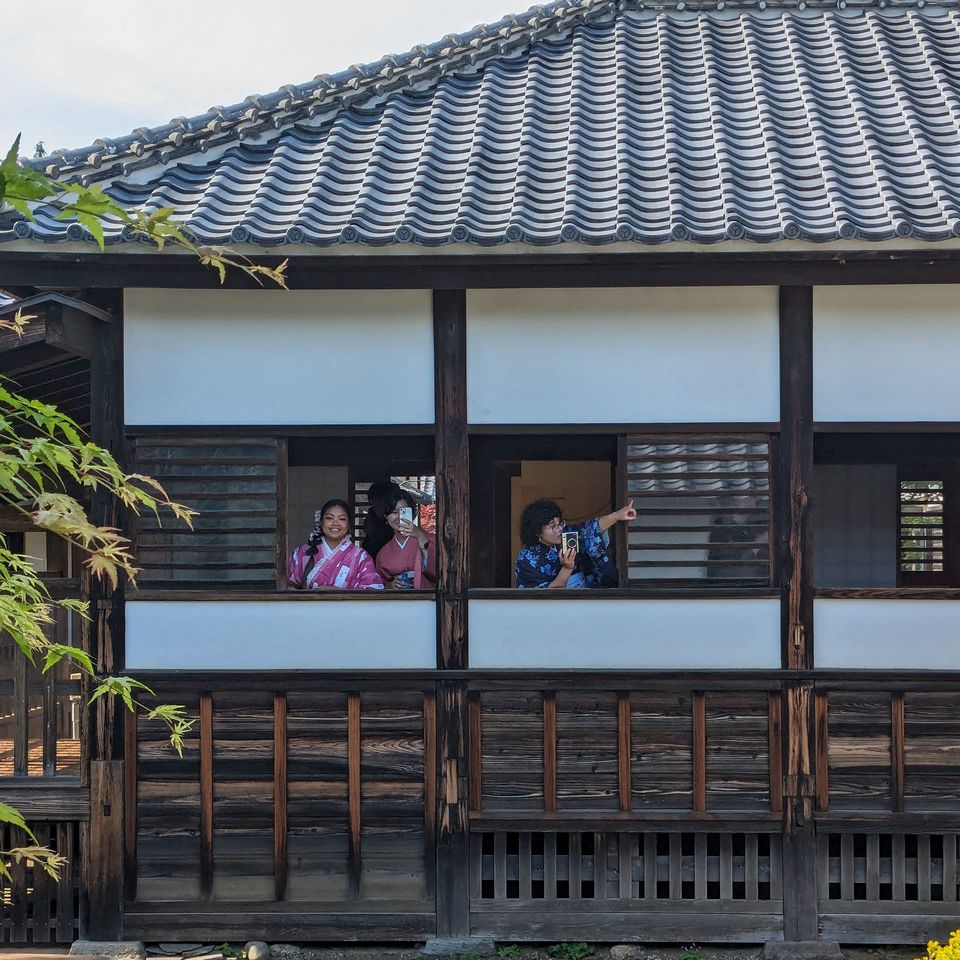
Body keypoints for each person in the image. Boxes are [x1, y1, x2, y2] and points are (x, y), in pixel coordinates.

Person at [515, 498, 637, 589]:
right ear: (536, 531)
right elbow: (545, 595)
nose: (559, 530)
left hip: (588, 594)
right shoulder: (527, 558)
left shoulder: (568, 535)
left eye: (560, 524)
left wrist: (617, 515)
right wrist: (567, 567)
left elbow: (591, 529)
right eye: (552, 526)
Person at [288, 498, 383, 590]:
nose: (335, 523)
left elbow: (373, 590)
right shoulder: (302, 553)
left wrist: (339, 592)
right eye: (329, 518)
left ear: (349, 524)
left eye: (342, 519)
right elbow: (286, 587)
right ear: (321, 522)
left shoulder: (361, 557)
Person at [374, 491, 437, 589]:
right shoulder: (383, 552)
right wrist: (390, 586)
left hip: (428, 600)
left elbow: (440, 572)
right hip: (398, 602)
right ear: (386, 517)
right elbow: (378, 584)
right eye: (394, 512)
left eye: (404, 512)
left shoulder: (433, 540)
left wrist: (421, 538)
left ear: (413, 513)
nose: (399, 517)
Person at [361, 480, 405, 560]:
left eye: (376, 502)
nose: (374, 505)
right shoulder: (372, 517)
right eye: (373, 502)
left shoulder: (397, 522)